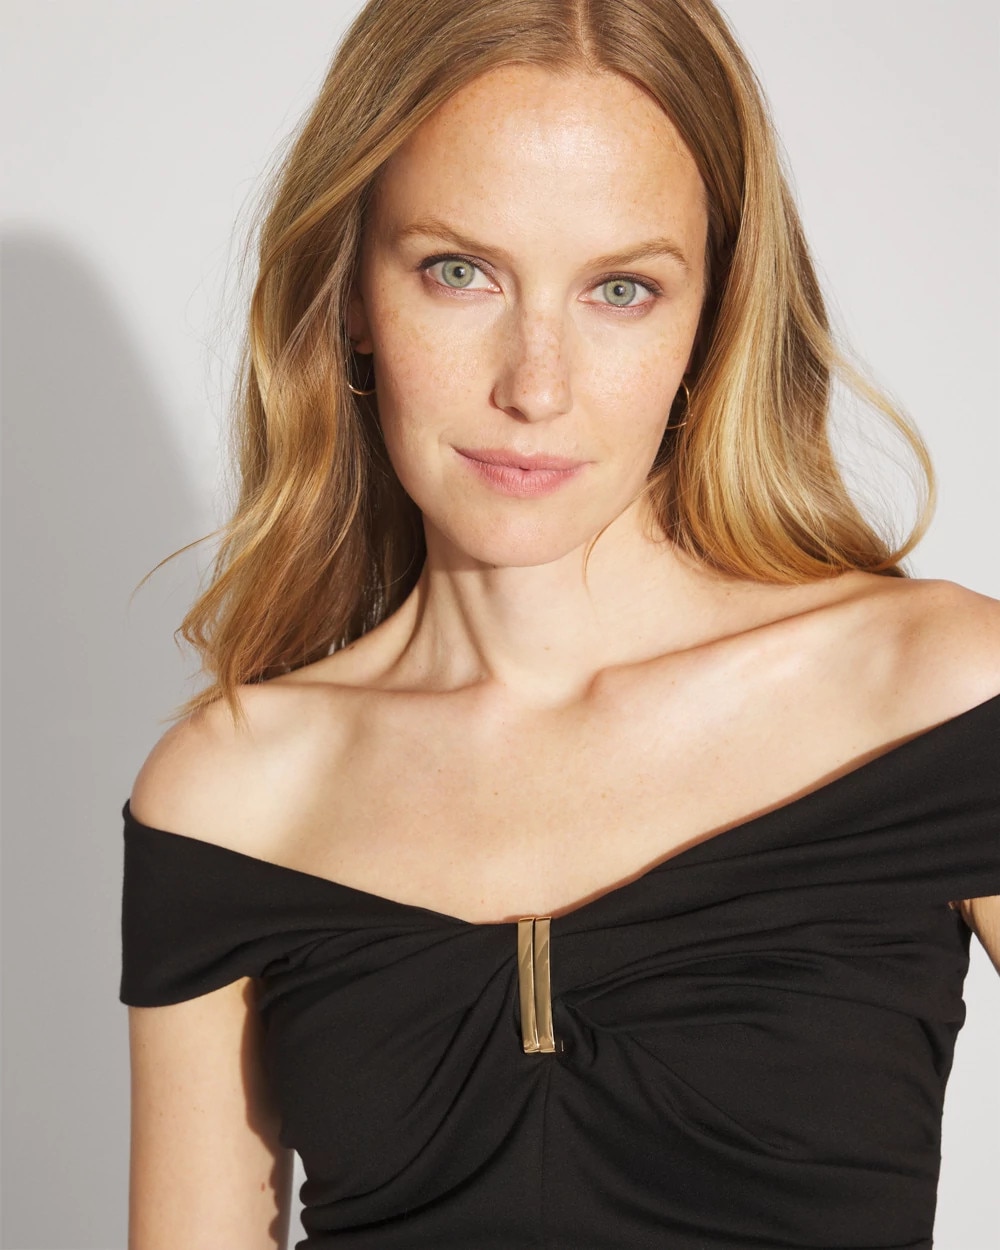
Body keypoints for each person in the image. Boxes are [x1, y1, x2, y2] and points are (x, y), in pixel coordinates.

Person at [118, 0, 1000, 1246]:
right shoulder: (232, 793)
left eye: (620, 289)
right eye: (458, 271)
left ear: (714, 315)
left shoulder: (937, 697)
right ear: (352, 291)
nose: (534, 384)